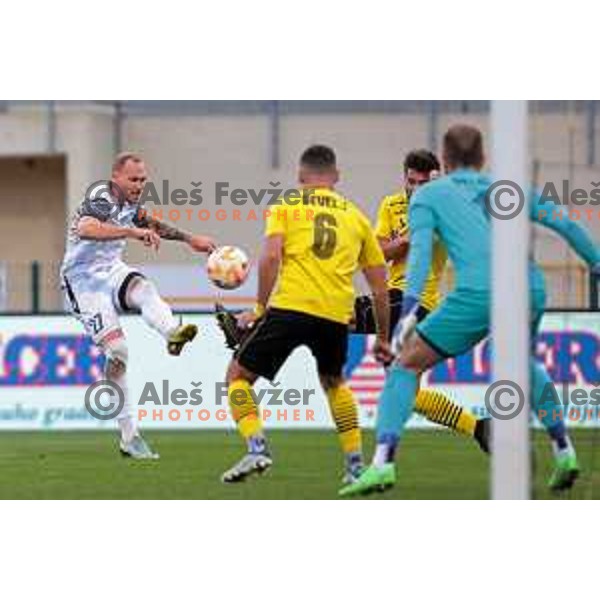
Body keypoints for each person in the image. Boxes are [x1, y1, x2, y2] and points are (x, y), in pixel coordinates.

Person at [341, 124, 600, 496]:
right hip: (530, 287)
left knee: (404, 366)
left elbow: (418, 261)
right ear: (482, 159)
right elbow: (567, 225)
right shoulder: (505, 187)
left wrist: (409, 314)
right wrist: (596, 264)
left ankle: (381, 464)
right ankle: (564, 451)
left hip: (480, 292)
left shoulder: (430, 197)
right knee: (525, 366)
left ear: (444, 162)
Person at [220, 144, 391, 484]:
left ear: (300, 177)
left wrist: (258, 308)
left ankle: (256, 449)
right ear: (336, 177)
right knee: (335, 383)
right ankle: (355, 466)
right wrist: (384, 338)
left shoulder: (286, 206)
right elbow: (380, 289)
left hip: (290, 308)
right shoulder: (357, 217)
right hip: (334, 315)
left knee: (237, 378)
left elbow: (270, 257)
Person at [61, 152, 215, 459]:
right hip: (82, 282)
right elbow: (86, 228)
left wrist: (189, 239)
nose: (139, 184)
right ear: (116, 177)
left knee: (143, 287)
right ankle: (129, 437)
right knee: (118, 353)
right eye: (133, 179)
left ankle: (172, 331)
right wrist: (132, 232)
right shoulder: (101, 196)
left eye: (143, 179)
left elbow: (149, 221)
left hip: (112, 271)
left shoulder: (130, 203)